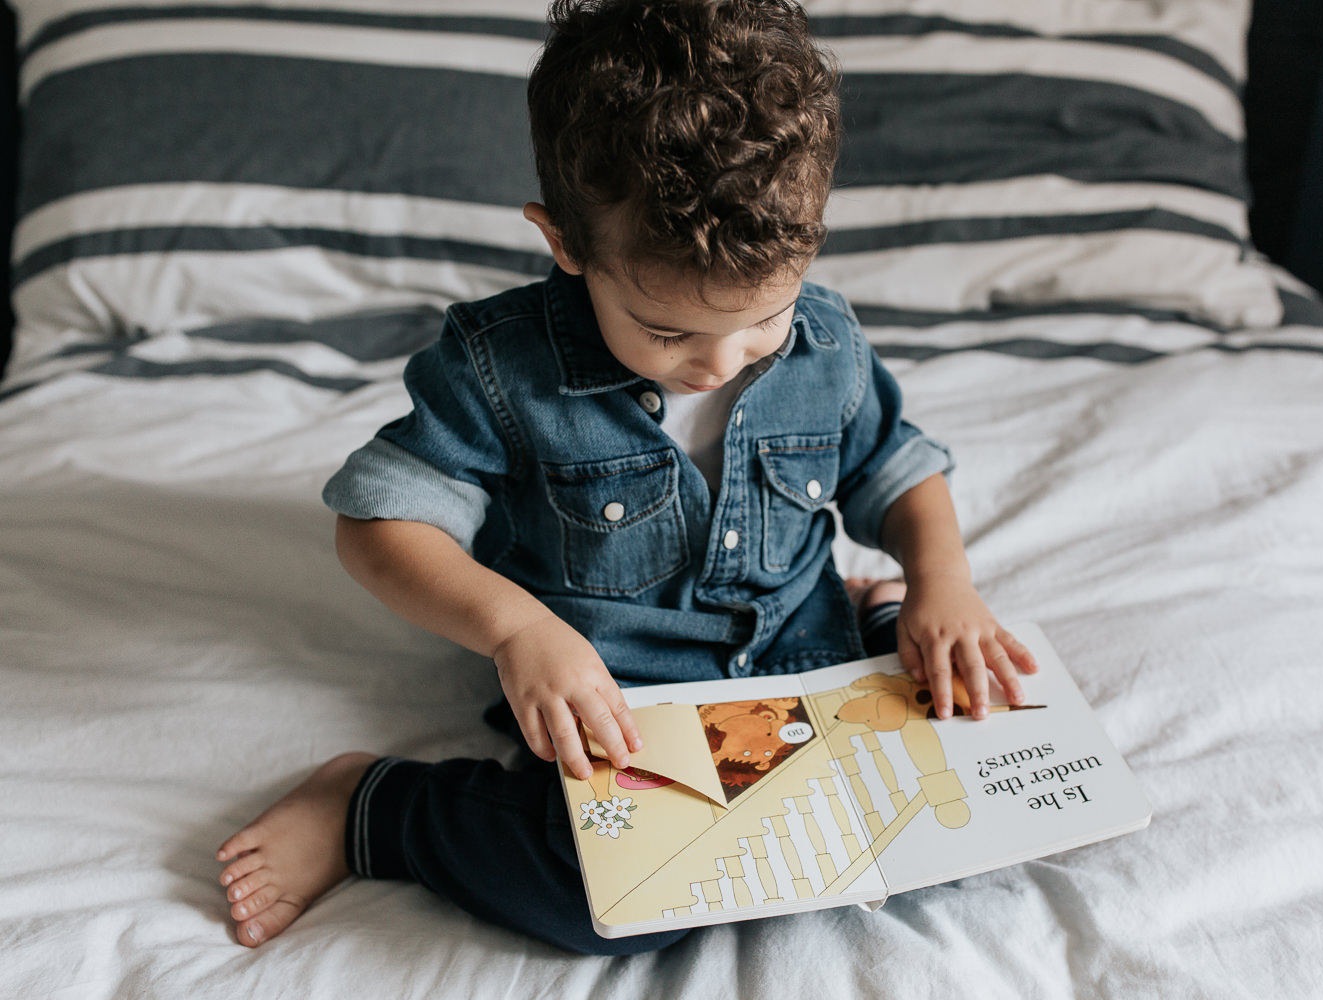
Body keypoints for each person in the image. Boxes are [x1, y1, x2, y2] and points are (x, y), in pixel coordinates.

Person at [214, 0, 1038, 956]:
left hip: (802, 659)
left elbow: (897, 473)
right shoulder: (501, 368)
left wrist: (947, 584)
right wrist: (518, 630)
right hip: (627, 702)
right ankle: (377, 805)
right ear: (566, 243)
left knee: (972, 822)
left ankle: (883, 612)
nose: (722, 362)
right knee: (604, 905)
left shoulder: (825, 340)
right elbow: (380, 527)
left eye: (760, 320)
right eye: (668, 330)